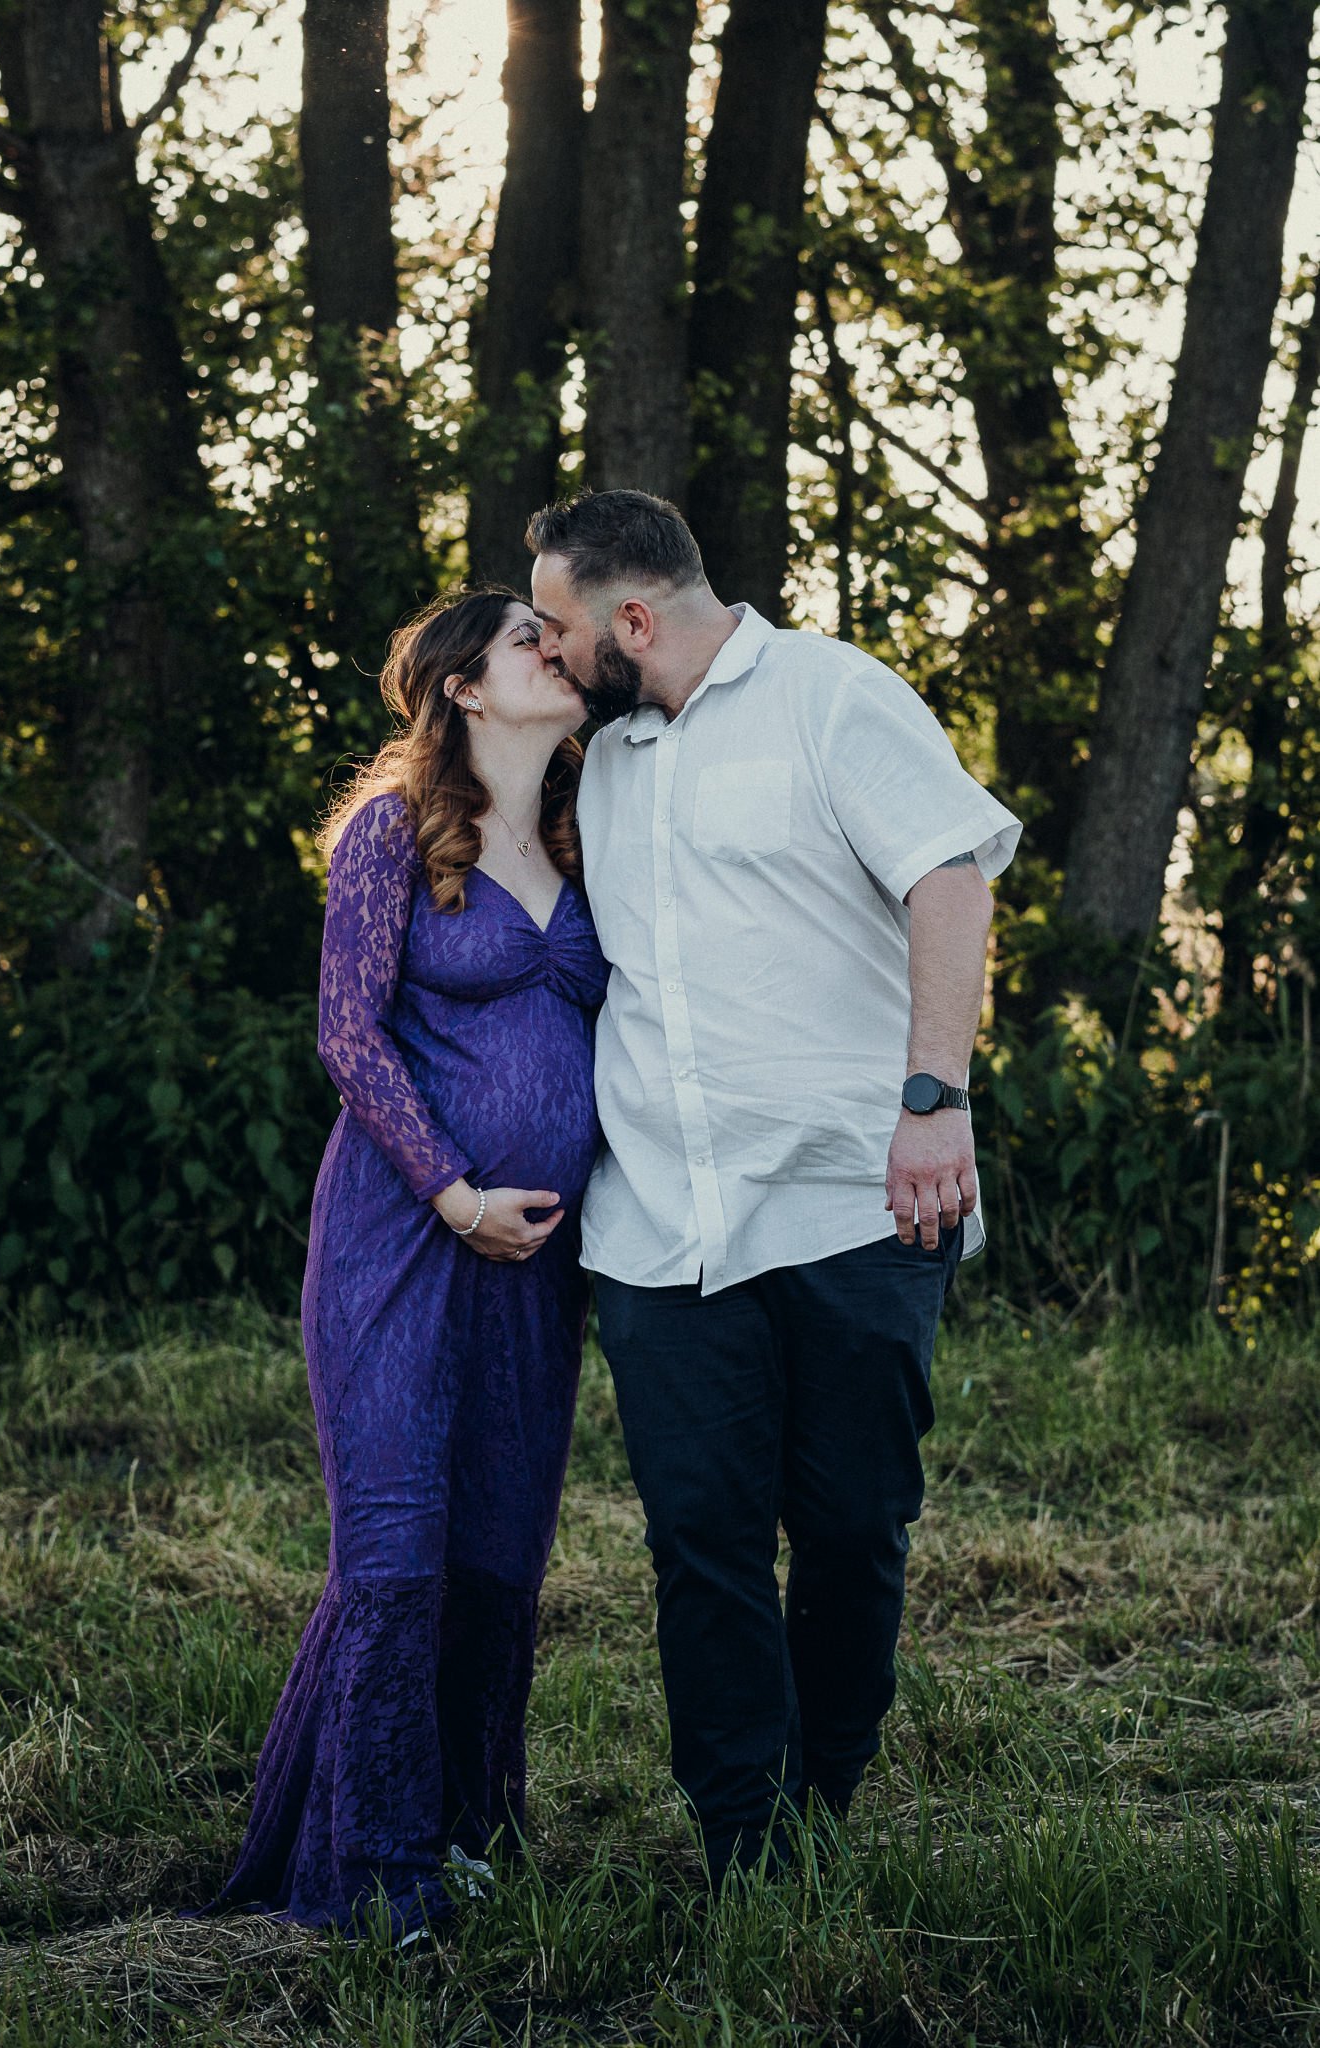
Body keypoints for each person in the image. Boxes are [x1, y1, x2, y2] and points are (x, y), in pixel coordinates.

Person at [526, 489, 1022, 1886]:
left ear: (632, 617)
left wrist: (933, 1102)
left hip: (849, 1203)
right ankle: (741, 1832)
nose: (548, 652)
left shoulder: (830, 697)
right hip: (660, 1228)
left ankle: (827, 1794)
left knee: (855, 1525)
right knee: (702, 1539)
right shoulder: (608, 754)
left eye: (559, 626)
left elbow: (947, 880)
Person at [205, 589, 608, 1941]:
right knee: (394, 1546)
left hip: (539, 1262)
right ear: (465, 692)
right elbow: (347, 1033)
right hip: (403, 1236)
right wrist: (450, 1192)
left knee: (498, 1548)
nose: (556, 651)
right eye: (523, 641)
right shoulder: (389, 832)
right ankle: (369, 1874)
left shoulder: (583, 831)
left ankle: (458, 1828)